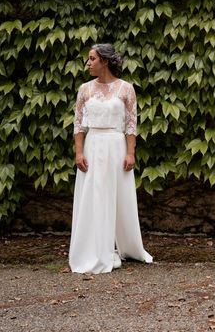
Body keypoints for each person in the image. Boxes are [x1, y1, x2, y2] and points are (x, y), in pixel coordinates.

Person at [69, 43, 153, 273]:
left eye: (92, 59)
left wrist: (130, 152)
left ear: (105, 61)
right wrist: (79, 152)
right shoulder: (84, 89)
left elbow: (131, 125)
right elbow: (78, 124)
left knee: (119, 197)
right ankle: (95, 249)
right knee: (93, 197)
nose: (88, 63)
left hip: (117, 148)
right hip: (93, 146)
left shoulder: (126, 89)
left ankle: (126, 247)